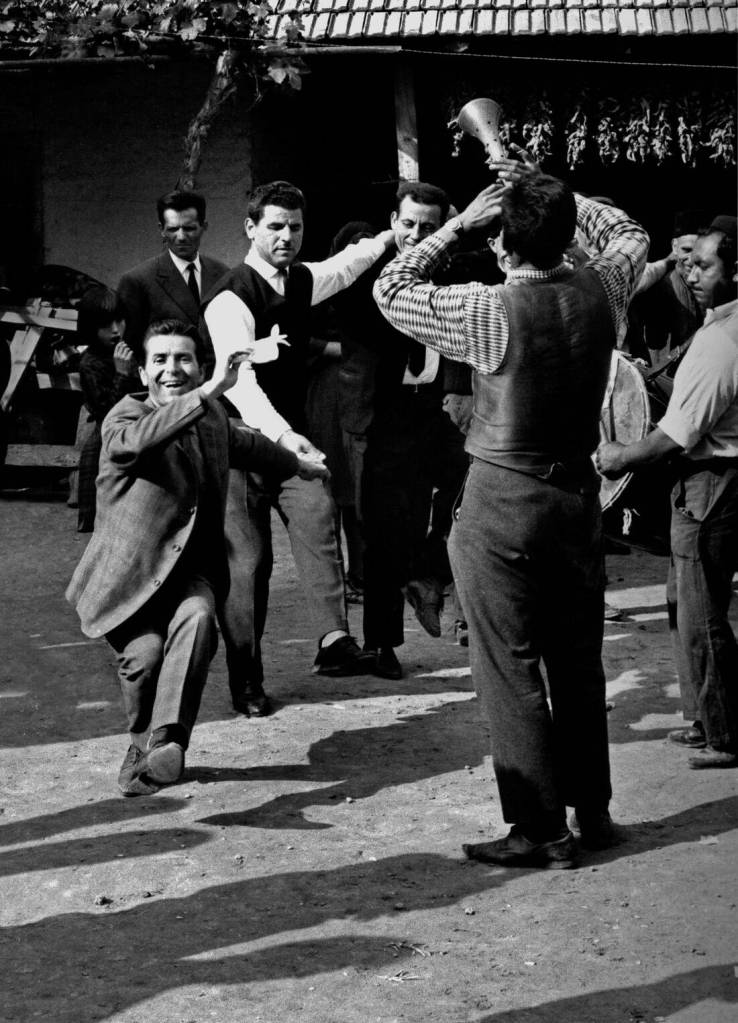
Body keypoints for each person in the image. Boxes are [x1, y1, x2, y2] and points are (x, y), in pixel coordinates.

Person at [374, 161, 649, 868]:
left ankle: (538, 827)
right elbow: (627, 232)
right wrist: (550, 191)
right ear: (563, 233)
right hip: (577, 500)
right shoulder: (604, 286)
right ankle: (593, 811)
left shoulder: (486, 308)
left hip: (502, 500)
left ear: (501, 243)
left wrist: (459, 223)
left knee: (509, 668)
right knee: (578, 664)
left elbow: (391, 286)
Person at [66, 319, 327, 796]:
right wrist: (210, 390)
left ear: (199, 364)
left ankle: (169, 742)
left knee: (201, 615)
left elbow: (251, 446)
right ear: (143, 372)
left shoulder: (211, 421)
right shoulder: (122, 419)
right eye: (160, 360)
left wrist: (299, 462)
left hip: (191, 572)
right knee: (144, 661)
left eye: (183, 359)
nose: (172, 370)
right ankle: (142, 746)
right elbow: (135, 445)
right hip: (131, 579)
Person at [203, 181, 396, 710]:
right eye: (275, 227)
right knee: (248, 565)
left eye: (295, 227)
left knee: (317, 517)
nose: (286, 237)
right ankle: (246, 679)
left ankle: (333, 642)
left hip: (291, 446)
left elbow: (346, 265)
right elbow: (241, 384)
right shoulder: (229, 298)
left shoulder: (302, 280)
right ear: (250, 228)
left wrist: (389, 237)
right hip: (239, 444)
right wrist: (286, 436)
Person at [597, 216, 738, 771]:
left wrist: (617, 457)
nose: (690, 271)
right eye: (689, 261)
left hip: (710, 485)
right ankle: (708, 718)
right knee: (689, 604)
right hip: (713, 483)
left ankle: (724, 732)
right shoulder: (719, 326)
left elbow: (676, 434)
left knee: (701, 612)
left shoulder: (723, 339)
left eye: (704, 265)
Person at [330, 183, 472, 680]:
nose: (416, 235)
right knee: (383, 531)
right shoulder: (368, 271)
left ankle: (428, 572)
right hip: (378, 415)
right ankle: (381, 645)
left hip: (426, 409)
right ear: (394, 220)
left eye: (428, 227)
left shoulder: (445, 272)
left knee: (474, 476)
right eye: (408, 224)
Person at [117, 190, 229, 355]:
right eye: (173, 229)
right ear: (161, 229)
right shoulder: (137, 281)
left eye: (189, 228)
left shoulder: (222, 274)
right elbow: (130, 349)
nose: (181, 236)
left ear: (204, 226)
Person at [75, 287, 139, 531]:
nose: (115, 330)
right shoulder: (90, 363)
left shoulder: (128, 350)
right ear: (91, 327)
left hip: (136, 432)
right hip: (107, 438)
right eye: (105, 325)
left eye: (119, 321)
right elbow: (107, 412)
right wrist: (122, 374)